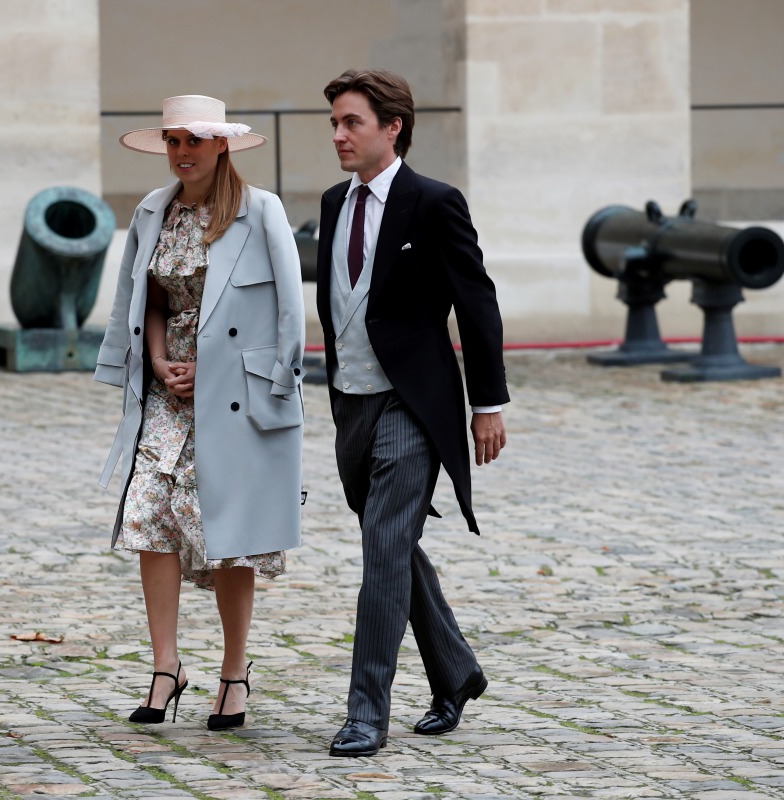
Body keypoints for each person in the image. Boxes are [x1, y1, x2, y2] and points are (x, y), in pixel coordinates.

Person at [95, 95, 306, 731]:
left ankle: (234, 673)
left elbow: (289, 314)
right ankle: (166, 667)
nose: (183, 151)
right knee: (147, 516)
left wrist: (216, 374)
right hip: (167, 391)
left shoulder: (260, 210)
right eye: (173, 140)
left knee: (227, 535)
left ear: (222, 145)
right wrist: (158, 363)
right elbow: (147, 300)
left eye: (195, 139)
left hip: (238, 393)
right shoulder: (153, 211)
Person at [316, 70, 510, 757]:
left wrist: (487, 403)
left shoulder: (434, 203)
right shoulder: (334, 203)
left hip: (413, 406)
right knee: (390, 543)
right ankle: (456, 671)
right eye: (334, 123)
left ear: (392, 126)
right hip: (351, 405)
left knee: (382, 550)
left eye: (351, 122)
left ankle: (366, 711)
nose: (338, 135)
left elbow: (477, 302)